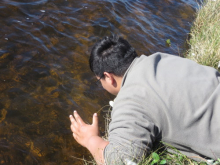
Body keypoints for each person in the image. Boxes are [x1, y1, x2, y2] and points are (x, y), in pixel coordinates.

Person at [69, 35, 220, 165]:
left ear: (108, 77)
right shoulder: (161, 58)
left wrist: (90, 139)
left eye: (99, 80)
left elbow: (121, 160)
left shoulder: (130, 100)